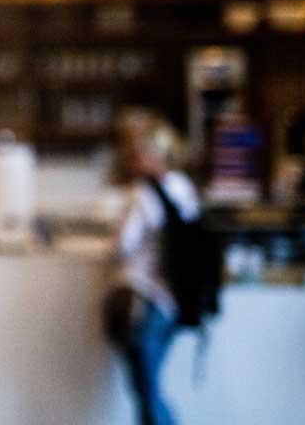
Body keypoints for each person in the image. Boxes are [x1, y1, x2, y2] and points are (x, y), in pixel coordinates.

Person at [109, 109, 200, 425]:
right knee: (149, 387)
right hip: (173, 300)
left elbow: (121, 247)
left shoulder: (144, 193)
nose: (132, 159)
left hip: (143, 298)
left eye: (138, 153)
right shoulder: (183, 187)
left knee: (145, 391)